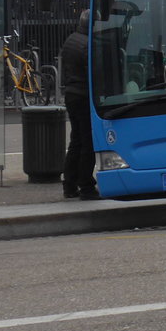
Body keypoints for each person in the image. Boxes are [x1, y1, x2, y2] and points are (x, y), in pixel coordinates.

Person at [60, 10, 99, 200]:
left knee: (76, 141)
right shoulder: (88, 45)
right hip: (84, 95)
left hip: (71, 94)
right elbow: (94, 72)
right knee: (87, 142)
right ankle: (86, 186)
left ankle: (69, 184)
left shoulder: (71, 40)